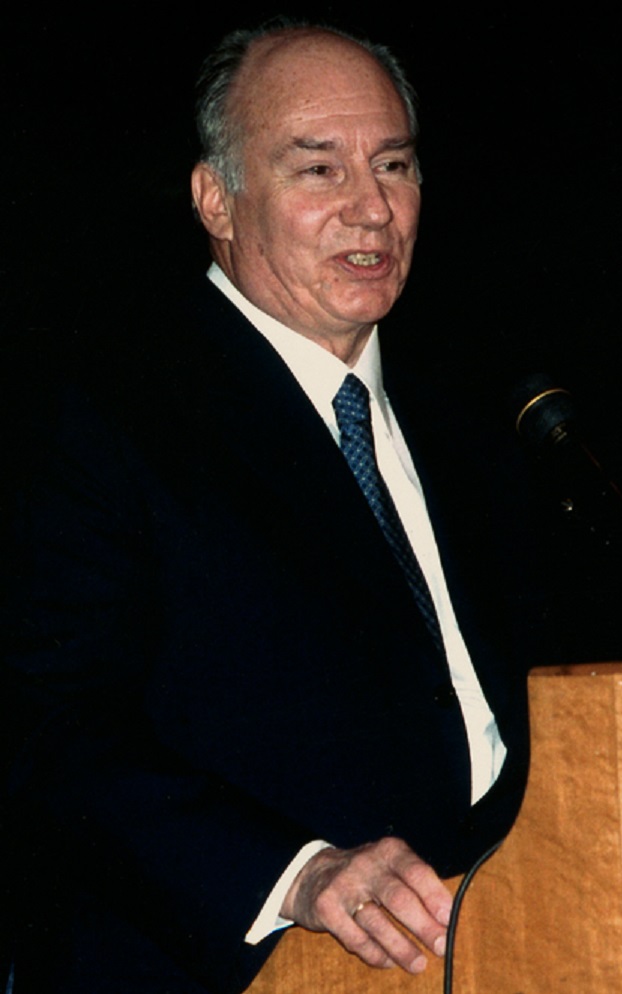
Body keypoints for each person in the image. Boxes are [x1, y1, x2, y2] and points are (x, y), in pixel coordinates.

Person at [4, 21, 540, 994]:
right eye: (319, 169)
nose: (372, 208)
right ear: (217, 197)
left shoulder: (475, 418)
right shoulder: (104, 417)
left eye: (393, 165)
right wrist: (296, 873)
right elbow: (45, 725)